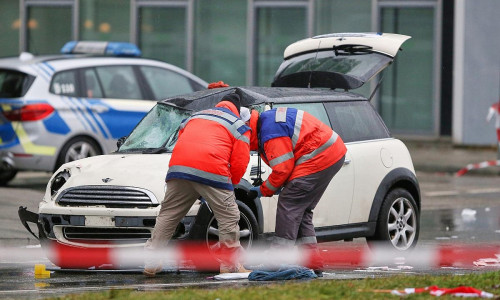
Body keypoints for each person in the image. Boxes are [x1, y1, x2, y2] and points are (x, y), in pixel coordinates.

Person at [143, 93, 252, 276]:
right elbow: (240, 162)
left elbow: (183, 139)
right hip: (212, 169)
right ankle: (230, 265)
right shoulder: (238, 125)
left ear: (220, 105)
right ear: (237, 110)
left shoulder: (195, 116)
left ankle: (151, 262)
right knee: (228, 216)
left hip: (179, 169)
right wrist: (229, 187)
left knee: (168, 215)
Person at [247, 107, 347, 276]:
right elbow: (288, 161)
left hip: (318, 156)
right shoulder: (268, 123)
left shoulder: (269, 132)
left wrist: (264, 189)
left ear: (248, 128)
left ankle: (276, 261)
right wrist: (277, 185)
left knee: (289, 204)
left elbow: (282, 169)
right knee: (303, 210)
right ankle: (313, 262)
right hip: (331, 153)